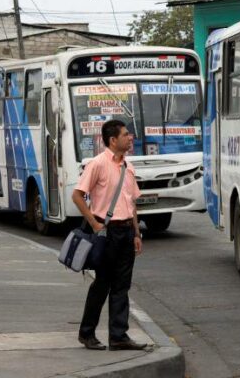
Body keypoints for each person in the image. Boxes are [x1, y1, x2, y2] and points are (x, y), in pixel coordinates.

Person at [72, 120, 147, 351]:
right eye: (125, 135)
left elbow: (132, 203)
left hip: (126, 231)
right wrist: (94, 224)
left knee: (122, 286)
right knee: (102, 284)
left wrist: (136, 233)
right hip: (106, 232)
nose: (130, 138)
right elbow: (77, 195)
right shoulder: (97, 164)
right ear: (113, 140)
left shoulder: (128, 166)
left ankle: (118, 336)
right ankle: (87, 334)